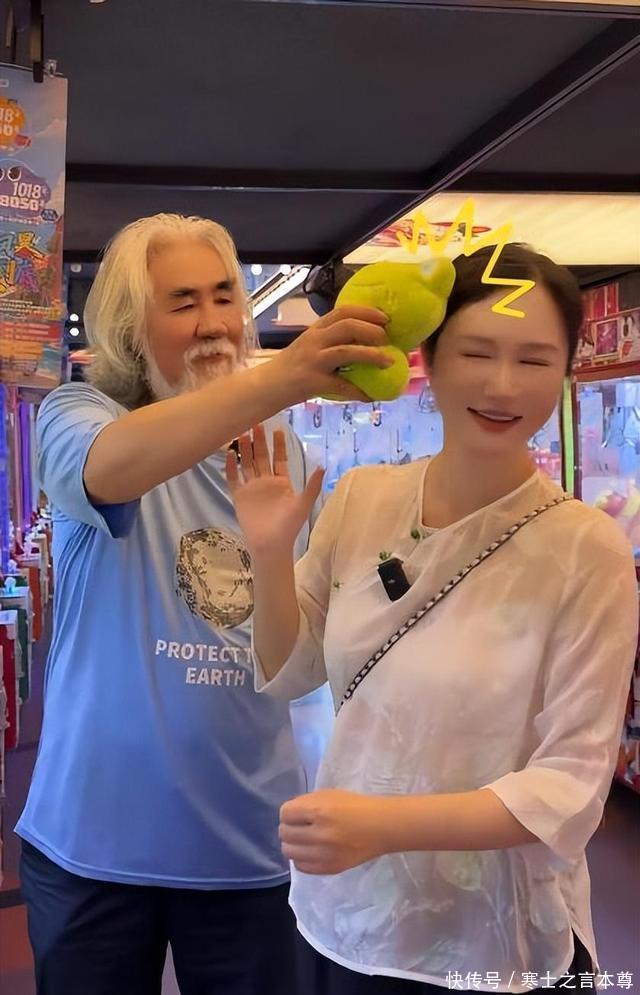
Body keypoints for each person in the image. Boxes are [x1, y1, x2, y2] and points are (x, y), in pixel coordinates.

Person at [227, 244, 639, 994]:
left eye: (535, 359)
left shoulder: (587, 548)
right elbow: (291, 669)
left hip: (496, 940)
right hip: (348, 915)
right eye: (477, 352)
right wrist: (268, 551)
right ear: (431, 359)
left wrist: (382, 826)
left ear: (566, 370)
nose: (503, 384)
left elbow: (569, 788)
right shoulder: (362, 498)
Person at [16, 212, 392, 995]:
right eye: (183, 302)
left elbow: (306, 648)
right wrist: (285, 376)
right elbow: (108, 470)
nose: (214, 321)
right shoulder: (79, 416)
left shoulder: (285, 455)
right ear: (131, 326)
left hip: (251, 846)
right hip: (92, 845)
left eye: (224, 296)